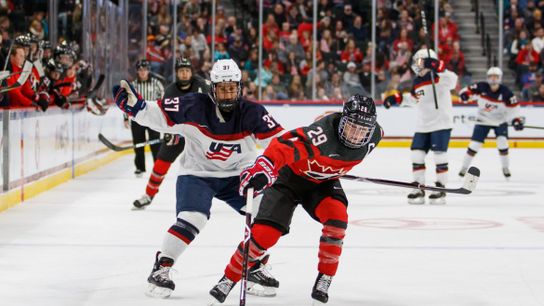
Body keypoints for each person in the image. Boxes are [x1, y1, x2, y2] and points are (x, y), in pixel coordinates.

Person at [112, 59, 284, 298]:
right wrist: (137, 108)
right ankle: (162, 267)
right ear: (212, 88)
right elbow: (158, 114)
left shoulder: (252, 112)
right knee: (193, 218)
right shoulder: (193, 105)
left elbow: (280, 143)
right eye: (222, 88)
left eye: (232, 88)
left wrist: (298, 157)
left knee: (266, 215)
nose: (227, 93)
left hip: (239, 176)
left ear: (240, 88)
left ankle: (253, 265)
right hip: (198, 174)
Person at [207, 94, 383, 305]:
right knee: (265, 235)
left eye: (362, 129)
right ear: (343, 120)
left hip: (322, 184)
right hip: (289, 179)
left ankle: (325, 277)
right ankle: (228, 278)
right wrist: (263, 168)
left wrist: (330, 167)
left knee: (337, 219)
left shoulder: (375, 136)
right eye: (352, 127)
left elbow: (347, 149)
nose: (356, 135)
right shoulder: (321, 135)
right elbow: (283, 146)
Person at [133, 57, 211, 208]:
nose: (184, 74)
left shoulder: (202, 85)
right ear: (176, 73)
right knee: (161, 161)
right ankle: (148, 195)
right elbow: (165, 116)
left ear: (191, 72)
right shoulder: (170, 91)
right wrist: (169, 131)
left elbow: (212, 108)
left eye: (187, 71)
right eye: (181, 71)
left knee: (211, 163)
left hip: (200, 134)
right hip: (178, 133)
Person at [383, 48, 458, 205]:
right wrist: (396, 99)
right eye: (416, 62)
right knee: (416, 154)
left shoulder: (440, 77)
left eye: (422, 62)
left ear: (430, 62)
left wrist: (439, 67)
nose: (418, 65)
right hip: (423, 124)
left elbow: (453, 80)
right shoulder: (417, 81)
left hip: (441, 123)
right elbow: (412, 99)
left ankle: (440, 187)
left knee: (439, 155)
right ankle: (418, 187)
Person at [458, 67, 524, 178]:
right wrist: (464, 95)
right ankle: (464, 167)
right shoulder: (481, 86)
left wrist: (516, 120)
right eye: (491, 76)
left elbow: (514, 109)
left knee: (502, 143)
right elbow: (466, 91)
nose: (493, 79)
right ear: (487, 78)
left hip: (500, 121)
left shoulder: (506, 93)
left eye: (496, 77)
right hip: (483, 119)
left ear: (500, 78)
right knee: (474, 145)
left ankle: (505, 167)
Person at [128, 59, 163, 177]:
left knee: (156, 144)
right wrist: (125, 118)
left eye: (145, 70)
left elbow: (163, 100)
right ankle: (140, 168)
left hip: (153, 118)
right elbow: (127, 102)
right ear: (137, 71)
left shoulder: (156, 83)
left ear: (148, 70)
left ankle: (157, 167)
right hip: (137, 118)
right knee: (138, 143)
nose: (143, 72)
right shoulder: (133, 85)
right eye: (140, 70)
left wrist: (163, 116)